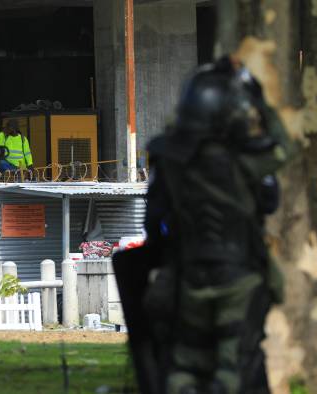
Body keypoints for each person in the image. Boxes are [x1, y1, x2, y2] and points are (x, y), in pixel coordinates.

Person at [119, 57, 293, 394]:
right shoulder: (248, 160)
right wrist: (261, 103)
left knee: (183, 365)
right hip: (240, 282)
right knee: (236, 368)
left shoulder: (170, 161)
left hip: (187, 280)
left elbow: (152, 223)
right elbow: (272, 196)